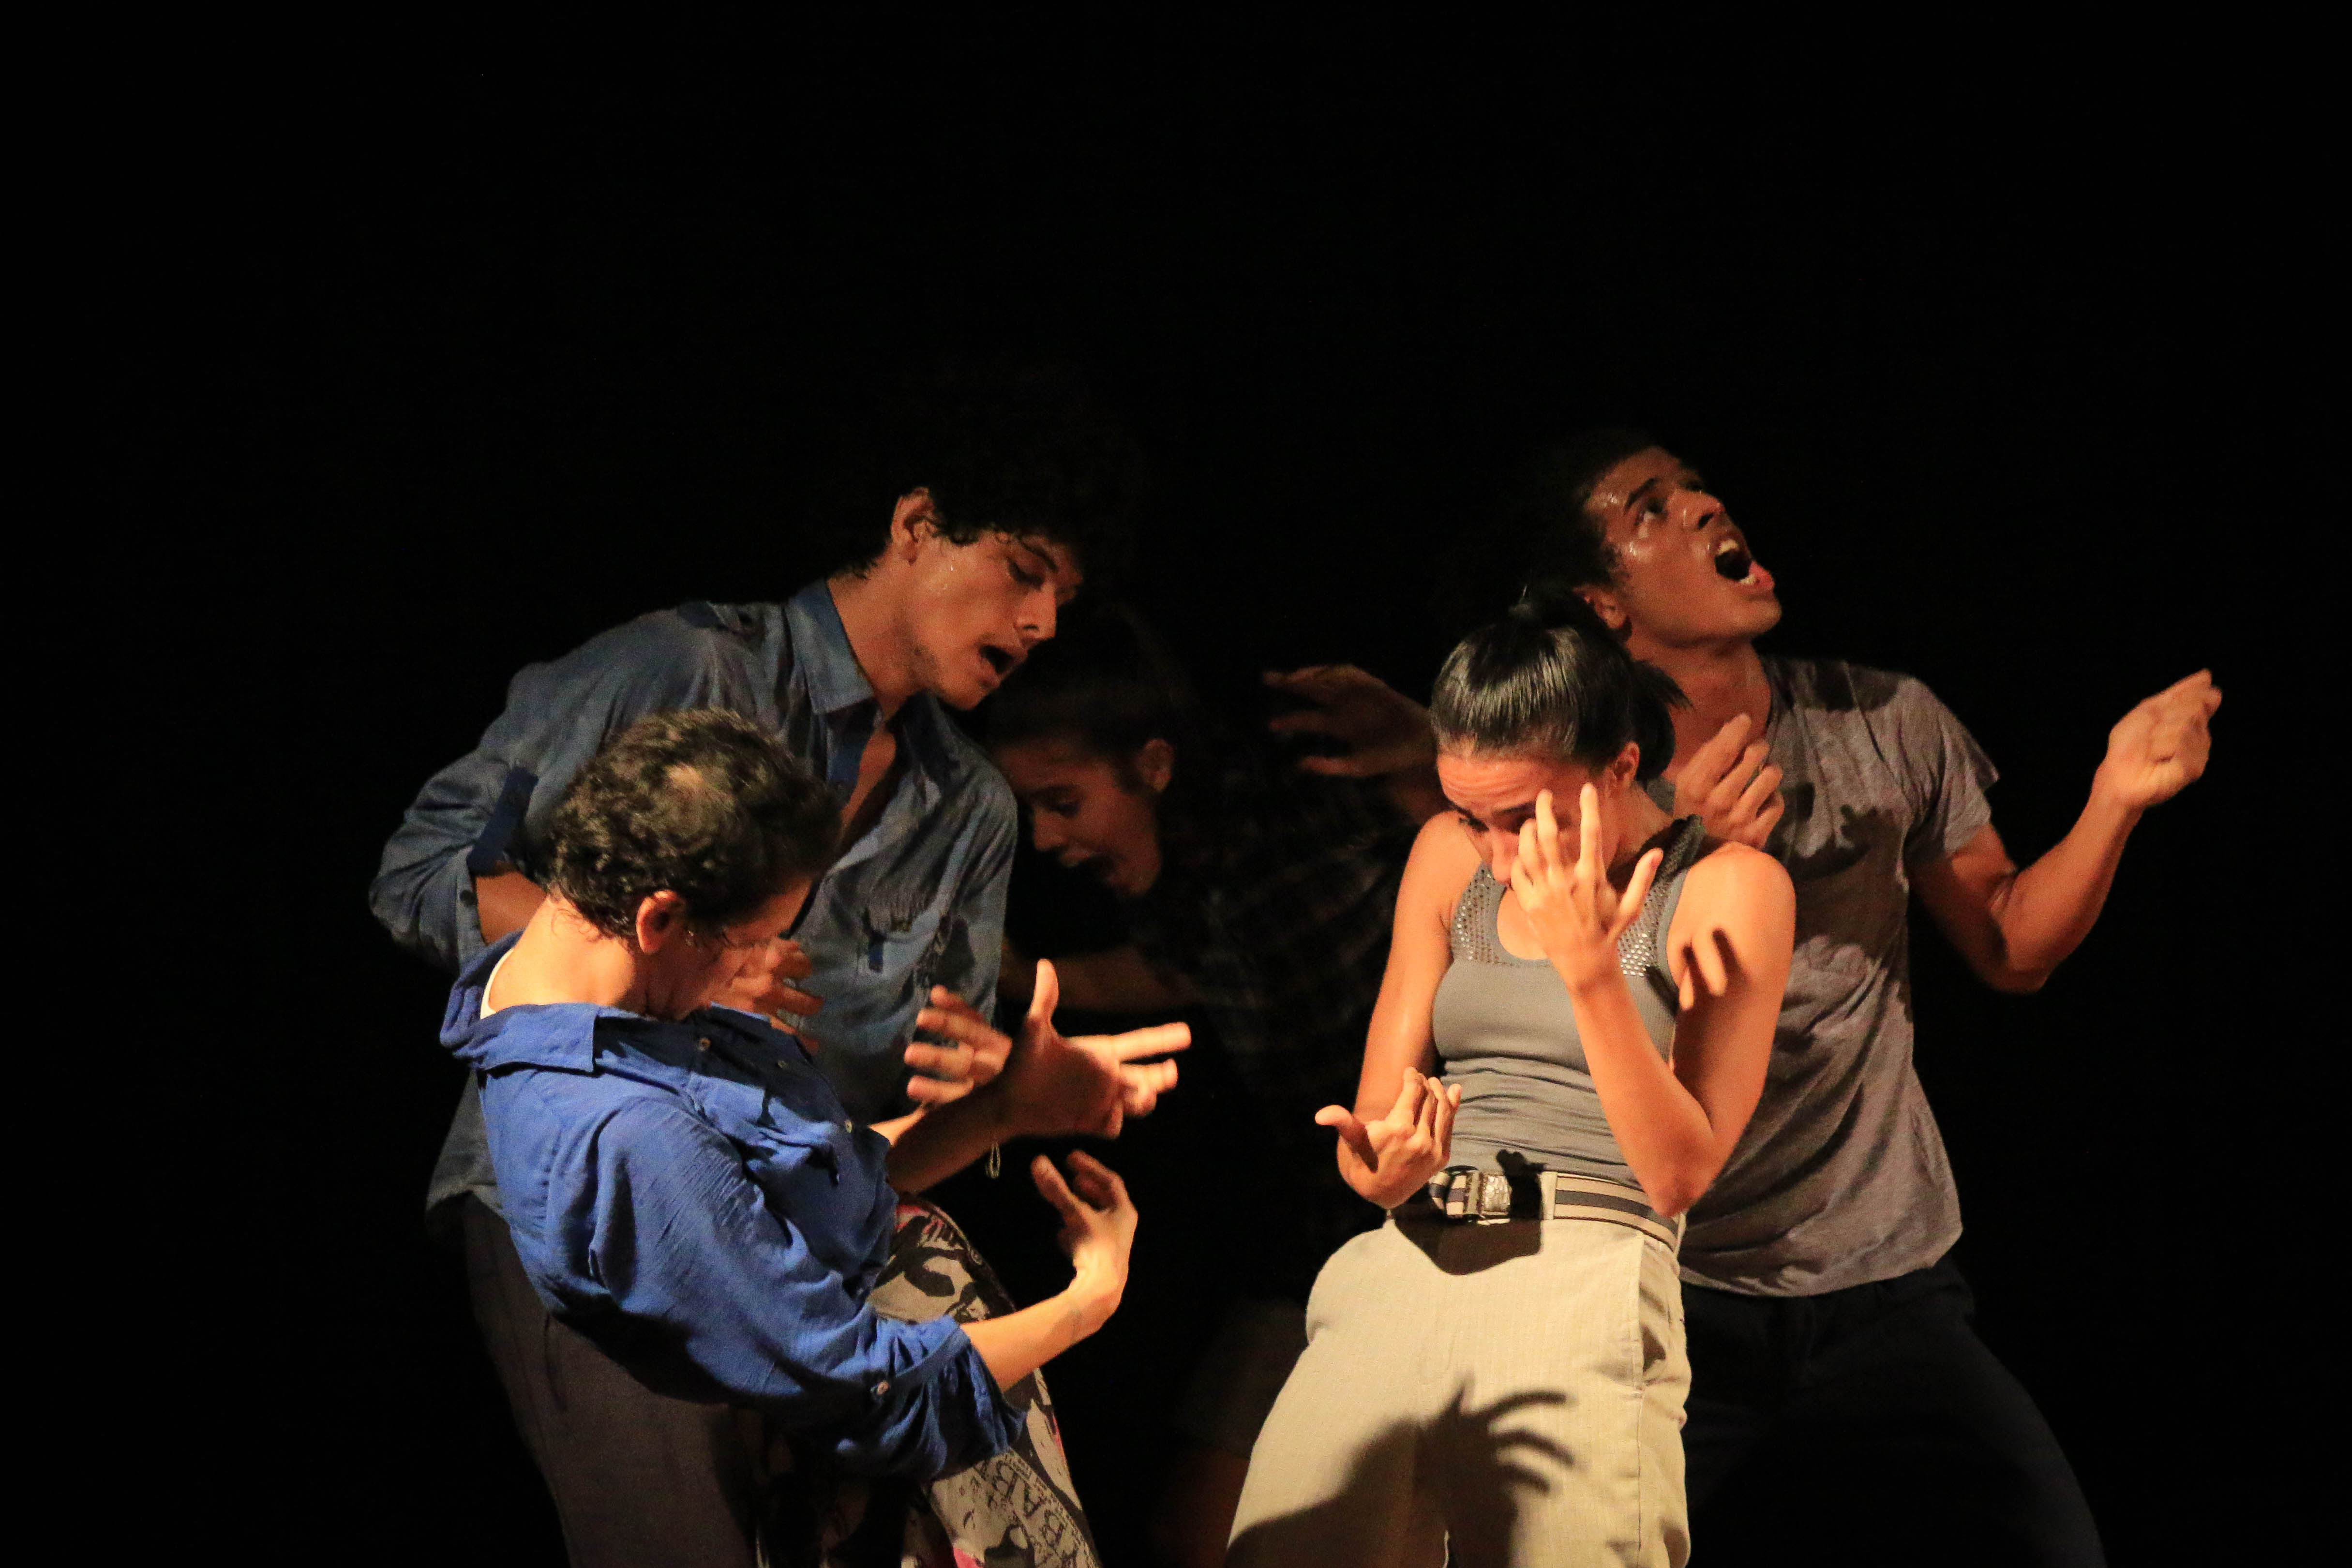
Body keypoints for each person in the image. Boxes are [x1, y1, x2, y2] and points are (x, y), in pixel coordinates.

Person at [370, 376, 1165, 1565]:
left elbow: (864, 1140)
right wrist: (665, 964)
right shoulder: (685, 671)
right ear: (916, 527)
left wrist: (1008, 1097)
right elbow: (424, 867)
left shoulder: (969, 810)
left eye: (1064, 593)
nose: (1043, 619)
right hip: (604, 1208)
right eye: (1022, 570)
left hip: (802, 1255)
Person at [1516, 428, 2221, 1567]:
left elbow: (2008, 944)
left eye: (1698, 486)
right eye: (1651, 507)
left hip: (1885, 1284)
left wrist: (2112, 801)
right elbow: (1543, 1017)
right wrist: (1677, 849)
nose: (1702, 505)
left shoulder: (1884, 719)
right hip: (1671, 1289)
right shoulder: (1576, 774)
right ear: (1603, 604)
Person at [451, 709, 1189, 1566]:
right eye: (749, 940)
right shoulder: (628, 1134)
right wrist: (1090, 1296)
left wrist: (1004, 1107)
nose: (758, 964)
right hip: (882, 1480)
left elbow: (815, 1183)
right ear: (658, 919)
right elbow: (869, 1390)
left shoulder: (584, 982)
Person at [1224, 590, 1796, 1568]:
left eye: (1524, 816)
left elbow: (1677, 1174)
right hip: (1407, 1260)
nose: (1498, 851)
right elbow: (1374, 1124)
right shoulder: (1449, 861)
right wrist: (1382, 1167)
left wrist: (1591, 971)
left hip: (1585, 1265)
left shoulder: (1727, 887)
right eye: (1469, 815)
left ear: (1620, 767)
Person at [981, 605, 1447, 1567]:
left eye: (1063, 802)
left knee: (1402, 1526)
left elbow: (1479, 837)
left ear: (1153, 764)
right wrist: (1025, 977)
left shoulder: (1303, 807)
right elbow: (1182, 969)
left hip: (1439, 1202)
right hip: (1316, 1224)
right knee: (1200, 1529)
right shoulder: (1171, 885)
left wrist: (1428, 748)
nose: (1045, 837)